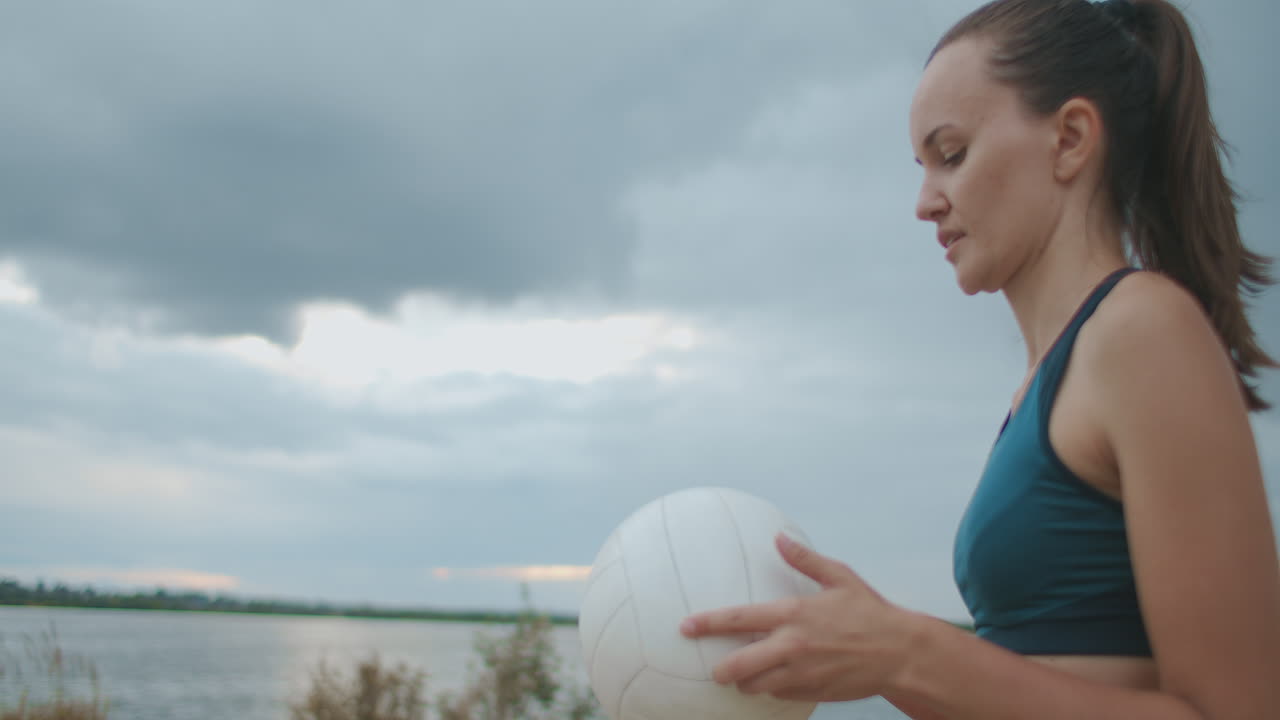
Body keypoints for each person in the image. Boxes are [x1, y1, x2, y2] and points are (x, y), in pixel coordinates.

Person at [679, 0, 1280, 717]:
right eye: (922, 166)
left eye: (952, 154)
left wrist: (909, 652)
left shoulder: (1142, 331)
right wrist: (884, 653)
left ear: (1071, 139)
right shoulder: (1053, 375)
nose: (925, 202)